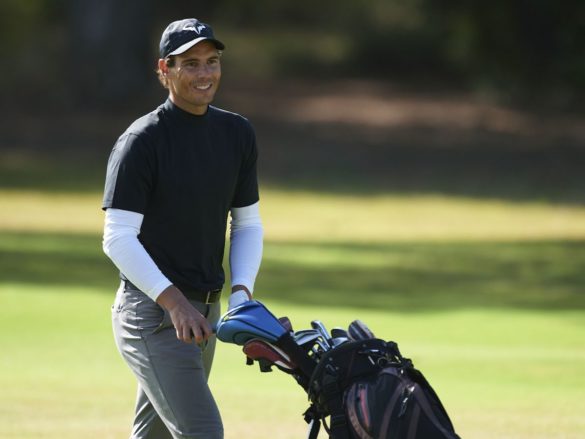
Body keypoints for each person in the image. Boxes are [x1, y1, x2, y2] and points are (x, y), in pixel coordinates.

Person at [102, 18, 263, 439]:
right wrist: (175, 304)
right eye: (190, 64)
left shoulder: (236, 133)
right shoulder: (142, 141)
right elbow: (117, 238)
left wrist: (242, 294)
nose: (205, 74)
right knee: (203, 432)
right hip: (153, 315)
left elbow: (246, 223)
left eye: (212, 62)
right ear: (164, 70)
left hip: (203, 315)